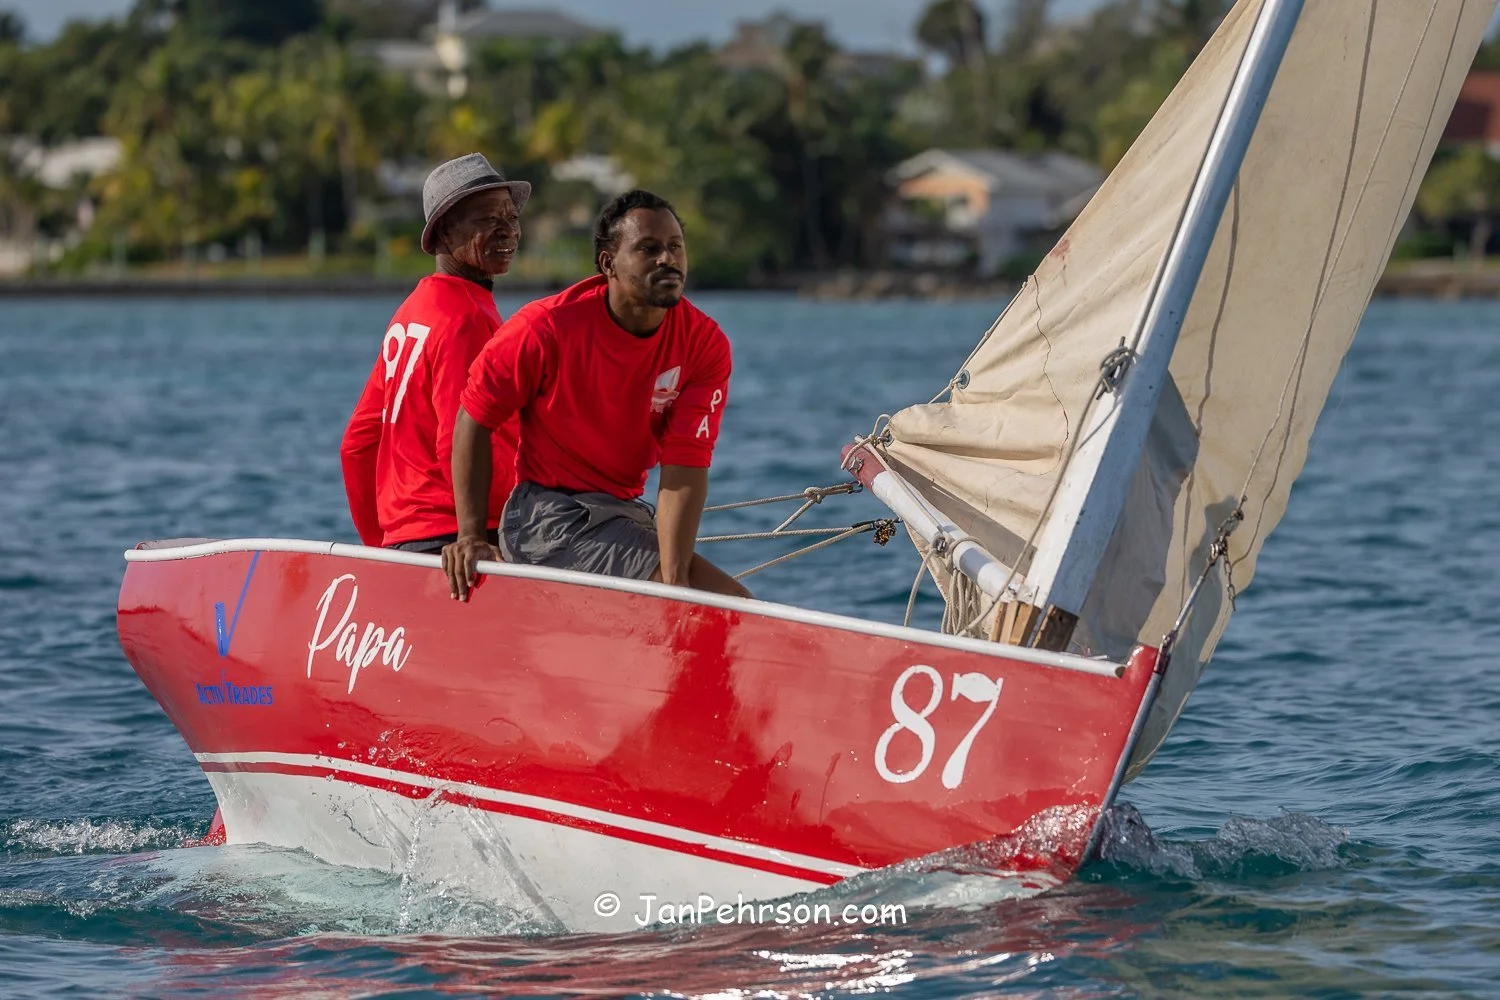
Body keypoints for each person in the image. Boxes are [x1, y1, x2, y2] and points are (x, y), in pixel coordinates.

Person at [441, 189, 750, 602]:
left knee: (732, 605)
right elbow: (474, 418)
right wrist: (472, 535)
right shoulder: (545, 328)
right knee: (711, 605)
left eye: (676, 247)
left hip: (623, 512)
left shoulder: (703, 342)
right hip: (547, 517)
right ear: (609, 264)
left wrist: (676, 583)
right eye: (649, 249)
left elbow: (685, 467)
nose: (668, 260)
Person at [340, 153, 531, 555]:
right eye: (487, 220)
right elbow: (459, 438)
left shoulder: (413, 310)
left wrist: (383, 547)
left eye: (510, 218)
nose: (508, 231)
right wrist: (473, 537)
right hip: (462, 540)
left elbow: (357, 444)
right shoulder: (465, 317)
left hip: (412, 542)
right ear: (444, 232)